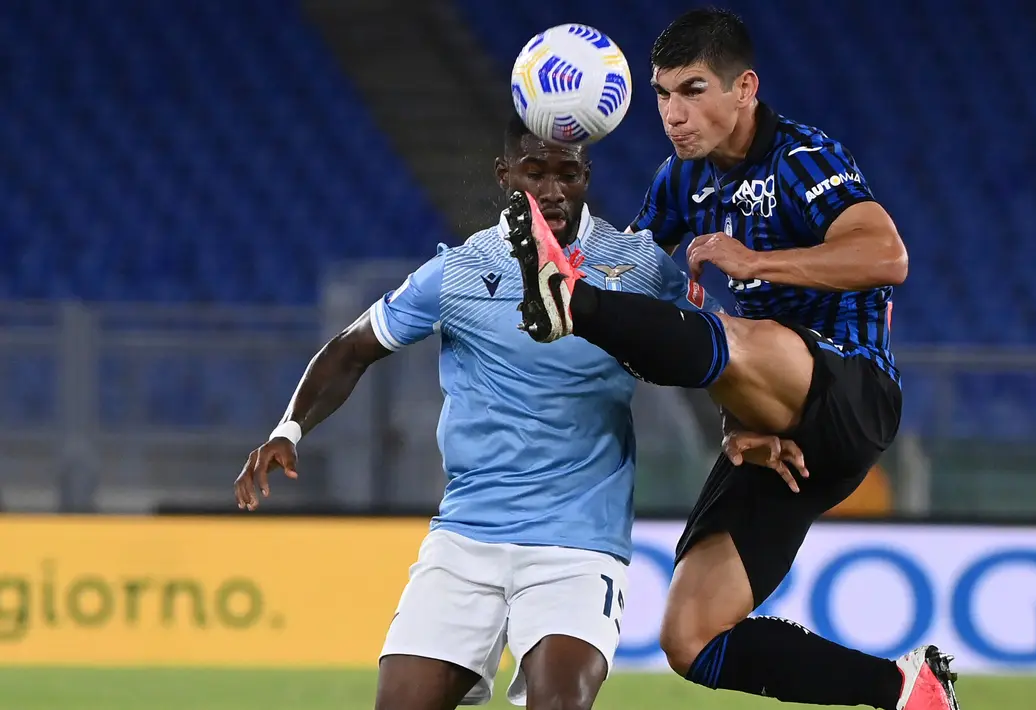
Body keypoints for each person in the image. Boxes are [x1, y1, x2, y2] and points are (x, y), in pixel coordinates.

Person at [507, 8, 960, 710]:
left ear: (743, 87)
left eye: (691, 90)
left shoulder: (802, 158)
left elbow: (886, 255)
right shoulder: (679, 180)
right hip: (775, 423)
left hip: (851, 390)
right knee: (692, 638)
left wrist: (754, 261)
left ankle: (570, 301)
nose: (673, 114)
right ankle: (906, 690)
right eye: (661, 94)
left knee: (716, 328)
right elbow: (634, 273)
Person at [232, 116, 721, 710]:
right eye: (533, 172)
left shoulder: (637, 266)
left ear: (586, 176)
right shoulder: (458, 271)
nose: (550, 189)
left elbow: (719, 352)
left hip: (578, 544)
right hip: (466, 539)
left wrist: (745, 425)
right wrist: (289, 428)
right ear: (505, 175)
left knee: (561, 703)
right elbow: (351, 347)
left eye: (567, 172)